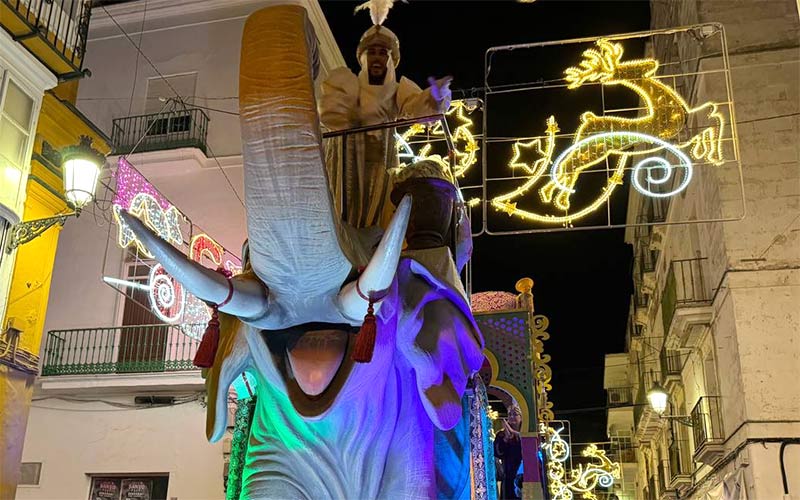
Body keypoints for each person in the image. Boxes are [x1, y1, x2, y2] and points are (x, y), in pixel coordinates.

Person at [319, 24, 452, 229]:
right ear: (363, 57)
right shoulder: (346, 85)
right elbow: (330, 114)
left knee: (377, 218)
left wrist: (436, 98)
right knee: (340, 213)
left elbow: (417, 106)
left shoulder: (397, 90)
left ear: (391, 59)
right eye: (372, 52)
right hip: (344, 161)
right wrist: (350, 112)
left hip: (379, 164)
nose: (377, 58)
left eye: (382, 53)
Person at [494, 404, 523, 499]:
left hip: (525, 472)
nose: (511, 417)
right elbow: (497, 453)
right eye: (510, 414)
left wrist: (516, 433)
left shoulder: (527, 434)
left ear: (521, 417)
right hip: (509, 474)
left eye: (515, 414)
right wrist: (505, 439)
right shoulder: (501, 434)